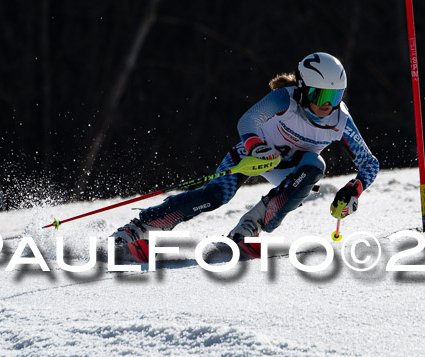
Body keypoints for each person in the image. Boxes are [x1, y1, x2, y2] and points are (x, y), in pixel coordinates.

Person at [112, 52, 380, 260]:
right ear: (302, 89)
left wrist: (352, 190)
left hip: (291, 174)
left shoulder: (340, 120)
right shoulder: (284, 99)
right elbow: (248, 121)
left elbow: (369, 164)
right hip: (254, 157)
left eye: (335, 96)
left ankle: (247, 230)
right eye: (319, 95)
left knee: (314, 168)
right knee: (215, 196)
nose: (326, 105)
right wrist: (256, 147)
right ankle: (138, 227)